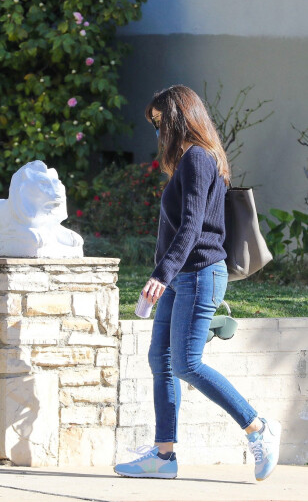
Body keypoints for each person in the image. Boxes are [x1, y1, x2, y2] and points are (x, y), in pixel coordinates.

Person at [114, 85, 281, 481]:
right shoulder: (197, 159)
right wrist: (166, 274)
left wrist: (161, 273)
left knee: (187, 363)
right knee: (161, 360)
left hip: (199, 274)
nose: (157, 134)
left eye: (159, 123)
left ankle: (257, 426)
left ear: (177, 119)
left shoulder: (197, 159)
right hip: (183, 276)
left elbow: (192, 227)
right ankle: (163, 456)